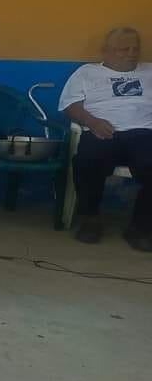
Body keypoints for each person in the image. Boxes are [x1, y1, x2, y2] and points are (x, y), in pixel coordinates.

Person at [60, 27, 152, 251]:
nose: (131, 53)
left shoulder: (150, 71)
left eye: (135, 48)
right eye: (124, 49)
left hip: (144, 133)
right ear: (106, 50)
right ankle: (91, 219)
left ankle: (140, 228)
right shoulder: (86, 73)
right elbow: (70, 105)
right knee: (86, 162)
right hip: (102, 130)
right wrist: (91, 122)